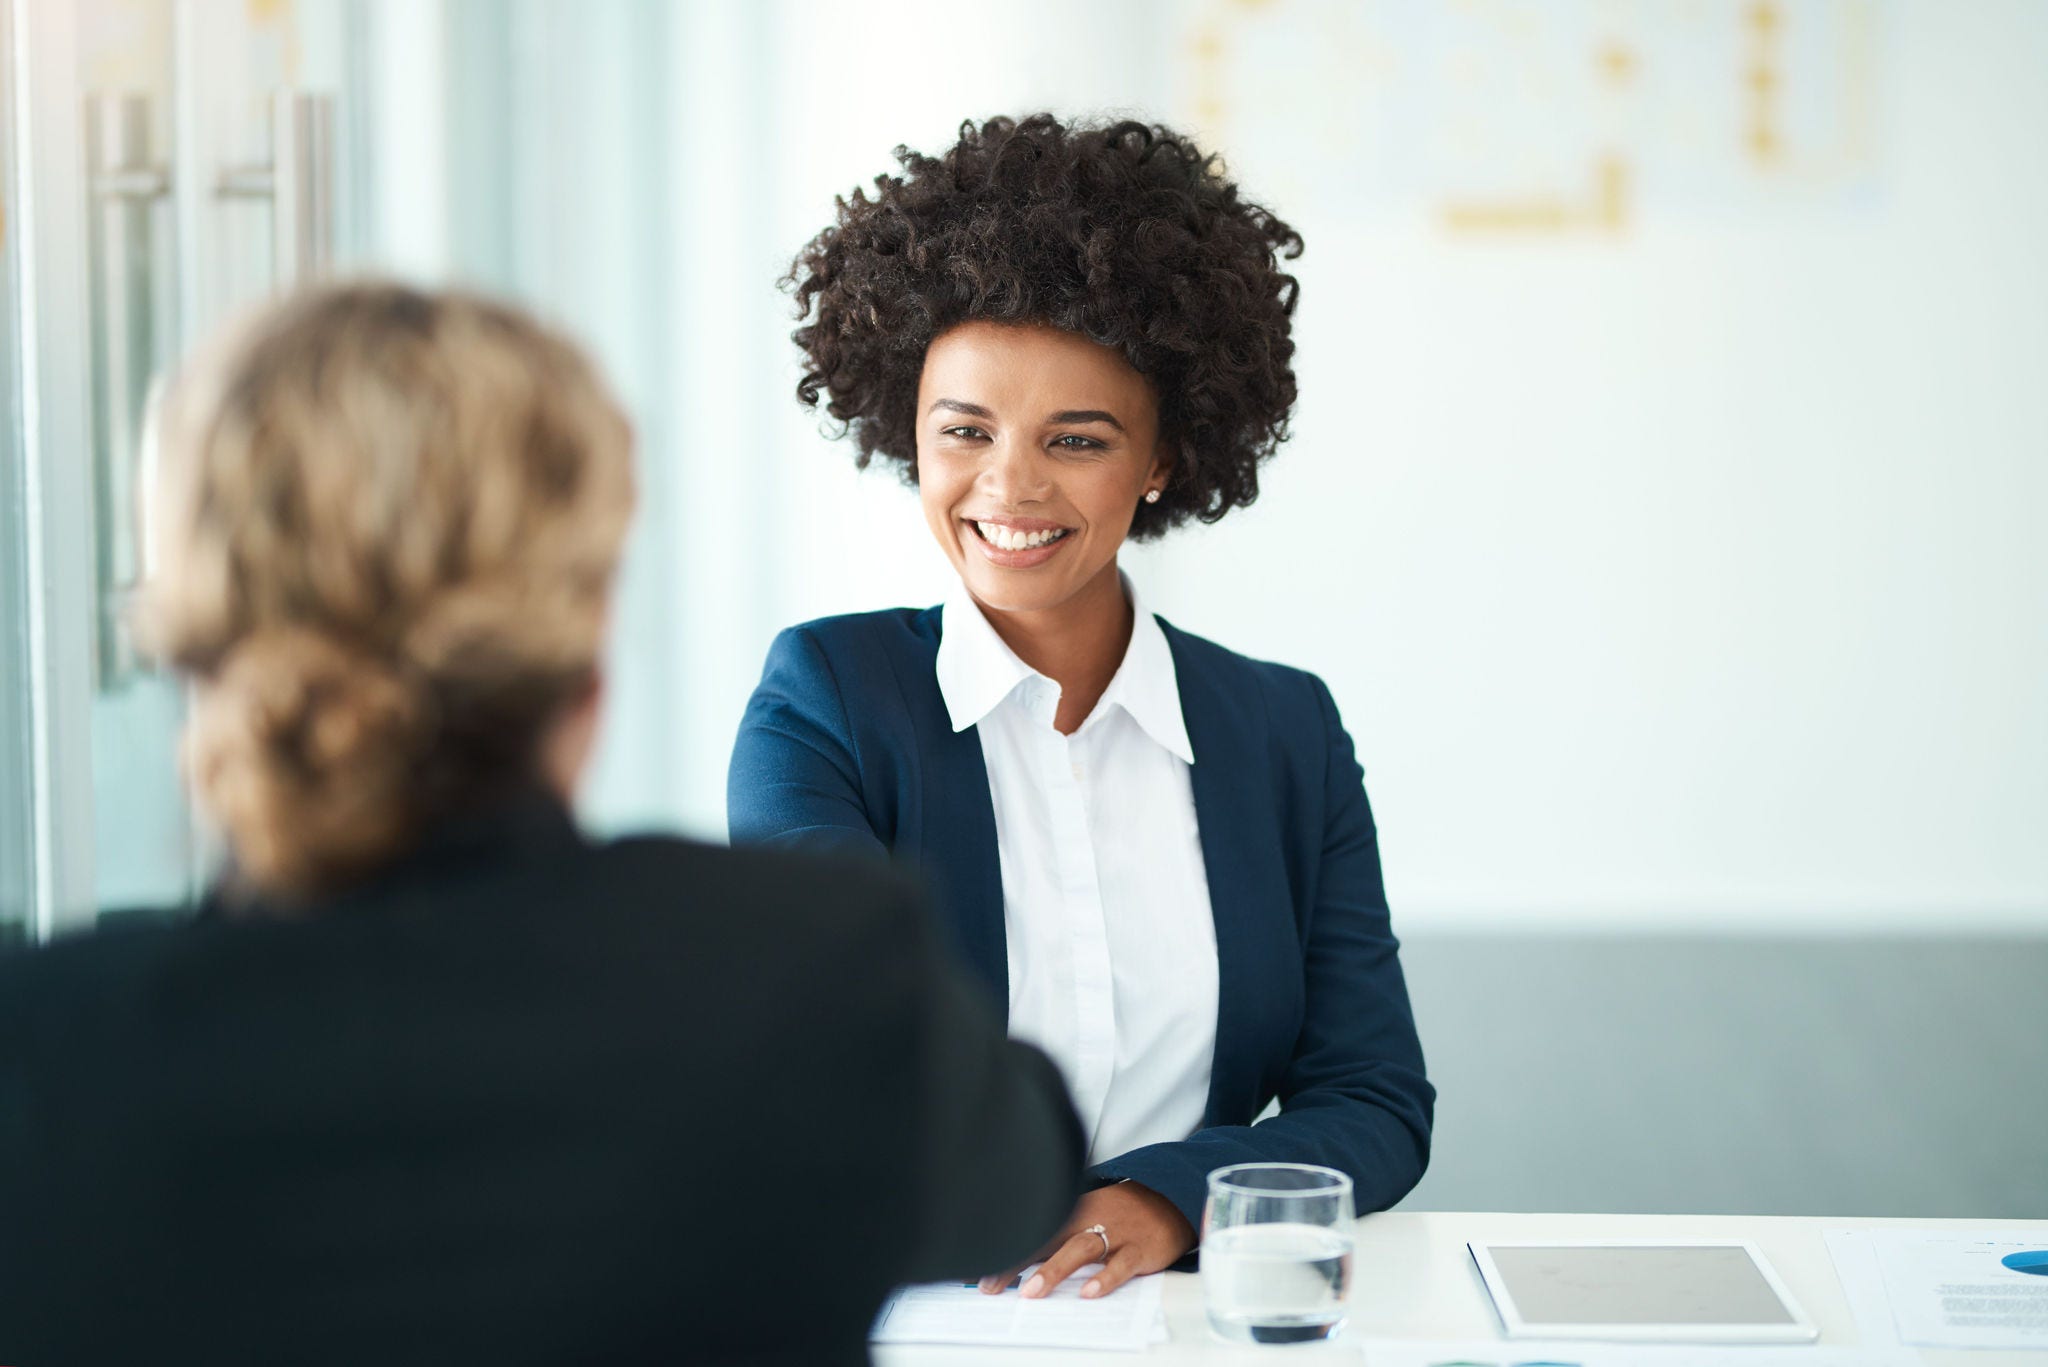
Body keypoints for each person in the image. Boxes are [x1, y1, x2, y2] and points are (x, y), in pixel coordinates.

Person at [0, 283, 1081, 1367]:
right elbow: (1022, 1171)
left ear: (193, 617)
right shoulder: (808, 972)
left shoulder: (43, 1061)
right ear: (581, 621)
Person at [729, 114, 1435, 1302]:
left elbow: (1372, 1097)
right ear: (907, 431)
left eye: (1076, 439)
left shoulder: (1282, 731)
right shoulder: (827, 701)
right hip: (925, 1308)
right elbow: (830, 1055)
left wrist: (1163, 1195)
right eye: (964, 431)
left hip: (1185, 1309)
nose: (1009, 484)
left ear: (1160, 459)